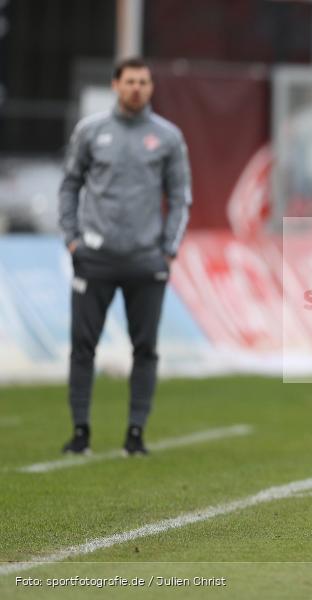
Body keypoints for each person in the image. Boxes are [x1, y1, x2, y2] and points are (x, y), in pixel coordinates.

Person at [58, 57, 191, 456]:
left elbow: (181, 196)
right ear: (116, 84)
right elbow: (69, 185)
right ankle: (80, 431)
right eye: (130, 81)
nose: (137, 88)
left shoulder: (168, 137)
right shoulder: (90, 131)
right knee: (83, 347)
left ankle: (136, 433)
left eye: (144, 82)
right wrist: (72, 238)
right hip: (94, 258)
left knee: (145, 349)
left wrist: (167, 251)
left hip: (145, 261)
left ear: (151, 87)